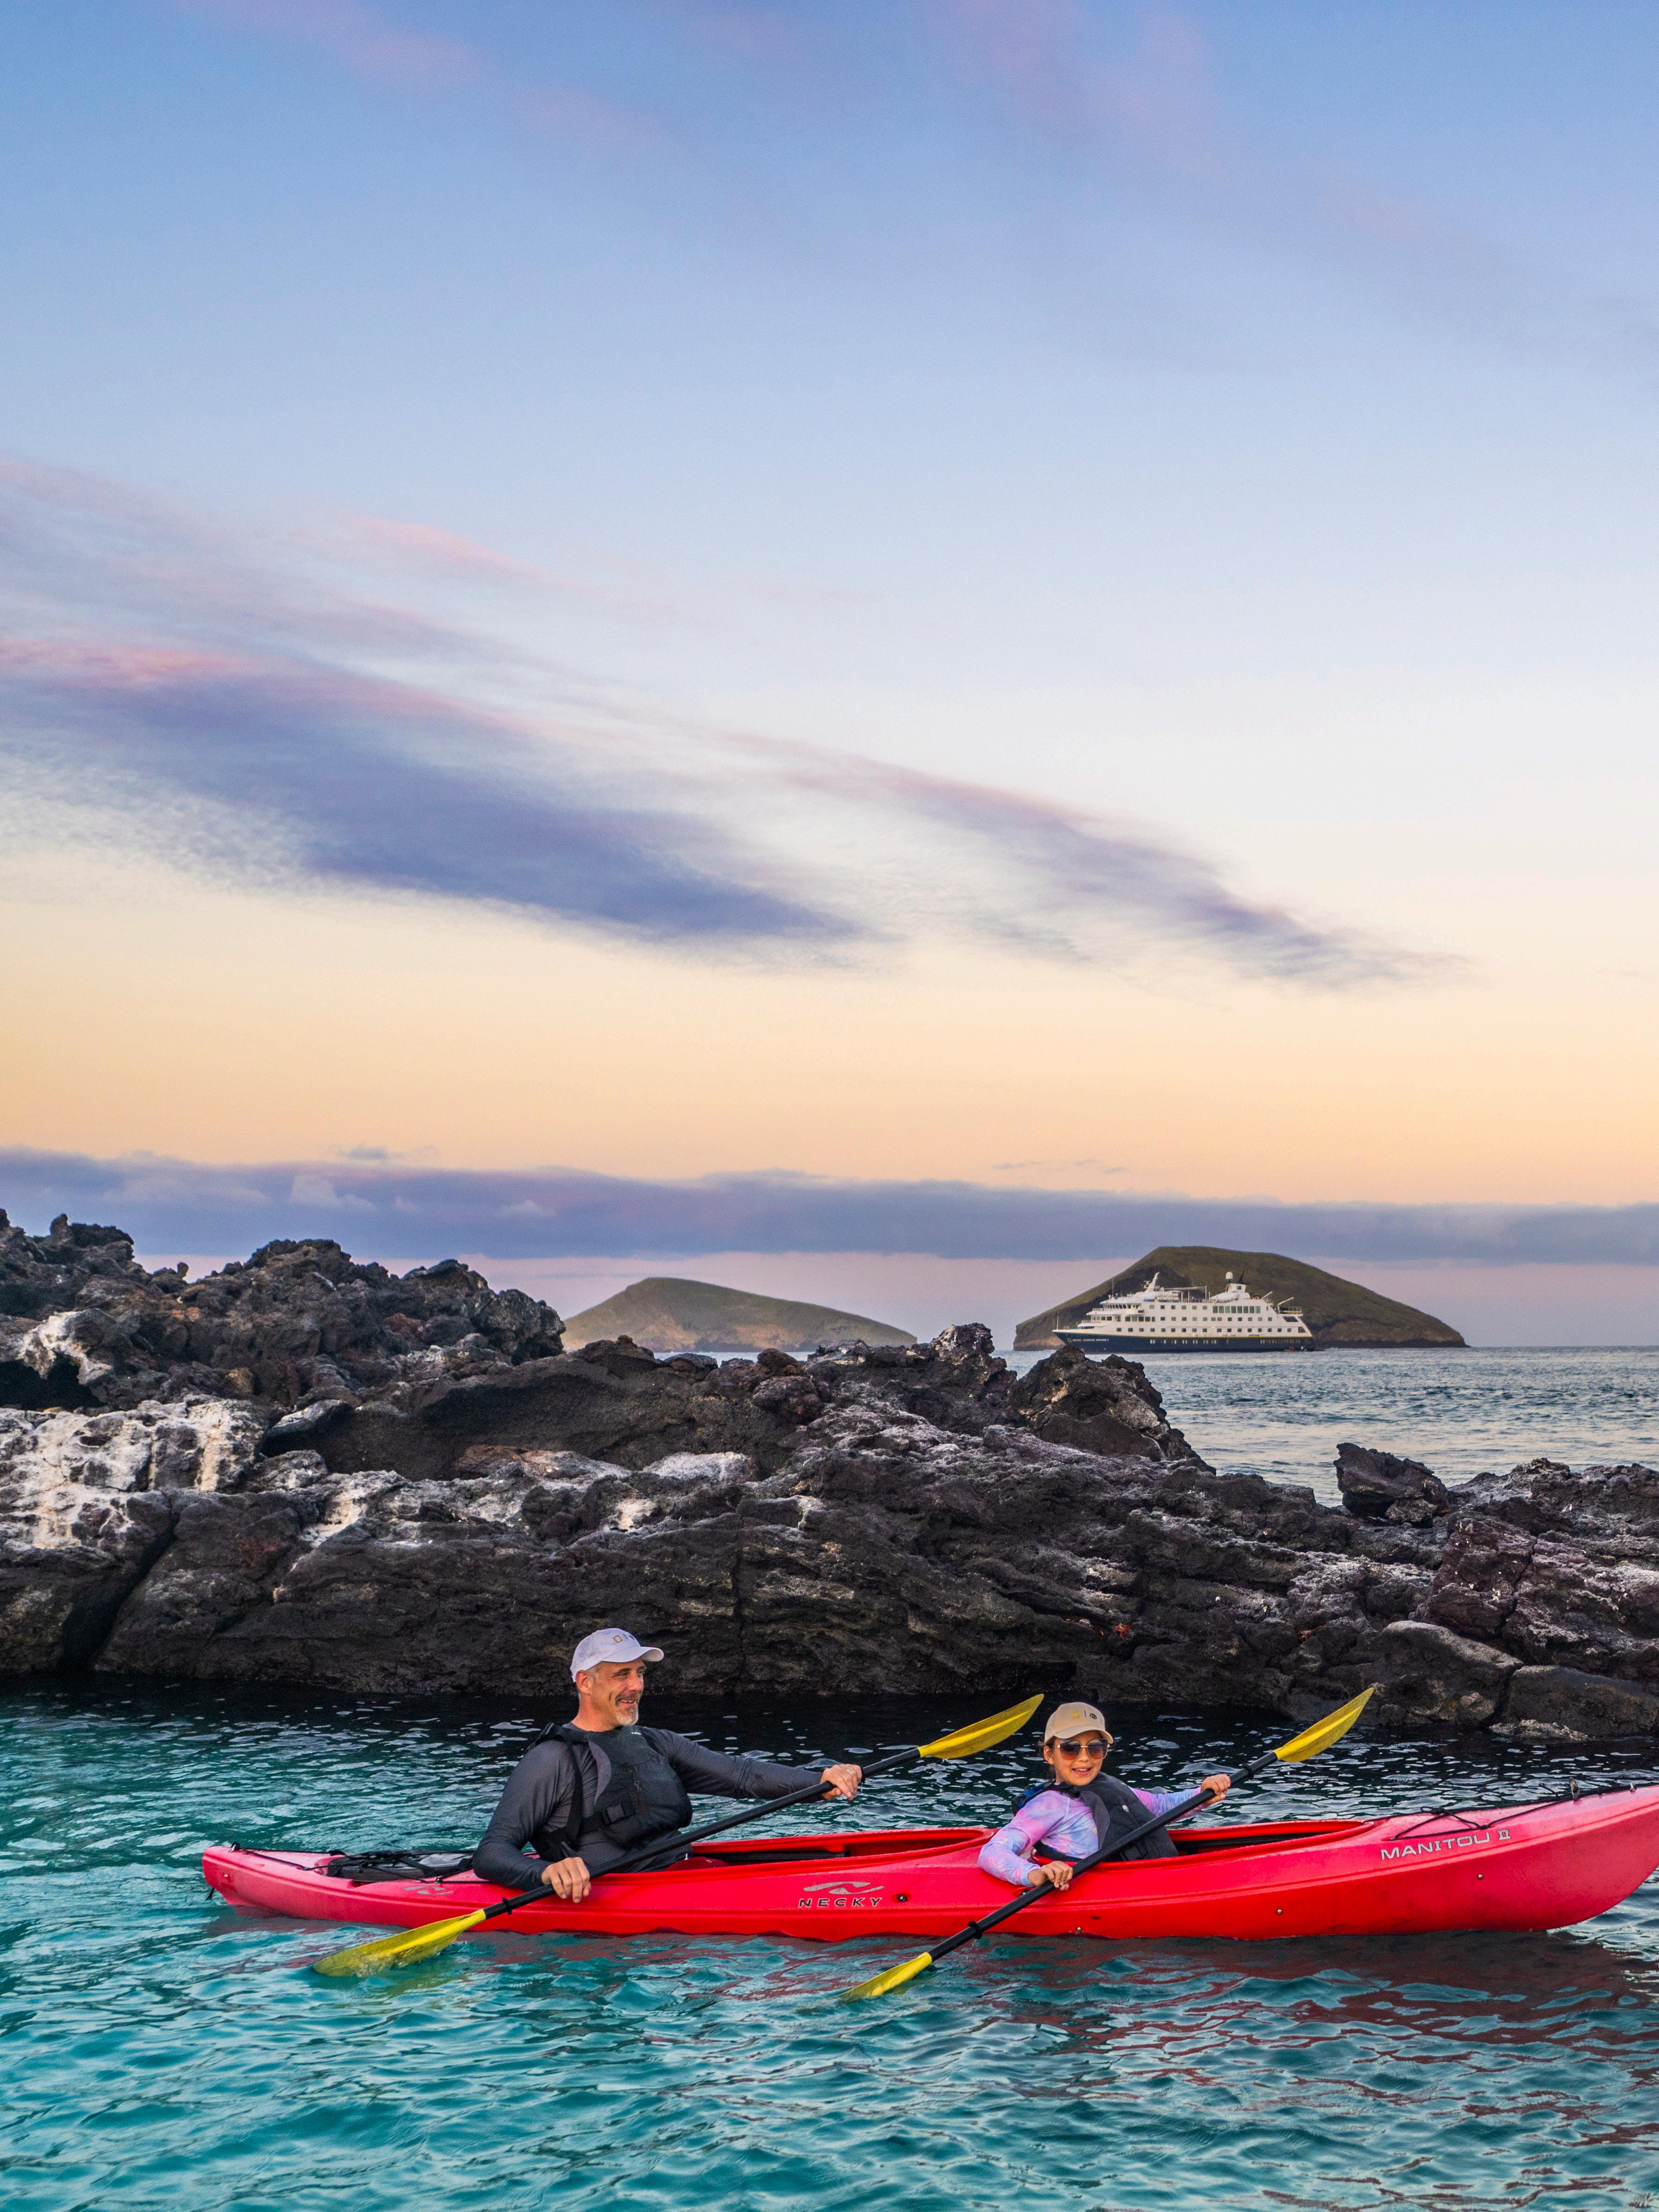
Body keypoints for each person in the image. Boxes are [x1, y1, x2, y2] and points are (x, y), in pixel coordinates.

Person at [472, 1627, 864, 1901]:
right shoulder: (552, 1758)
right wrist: (544, 1873)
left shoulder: (654, 1741)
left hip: (685, 1875)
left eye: (640, 1673)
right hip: (620, 1899)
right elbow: (491, 1852)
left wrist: (820, 1781)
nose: (636, 1686)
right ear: (585, 1682)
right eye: (621, 1675)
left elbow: (742, 1776)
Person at [978, 1701, 1231, 1891]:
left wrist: (1202, 1794)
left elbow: (1159, 1806)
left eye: (1095, 1748)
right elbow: (993, 1851)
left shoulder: (1109, 1786)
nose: (1084, 1758)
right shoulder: (1049, 1805)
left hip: (1139, 1877)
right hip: (1096, 1888)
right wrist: (1034, 1874)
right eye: (1070, 1748)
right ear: (1049, 1754)